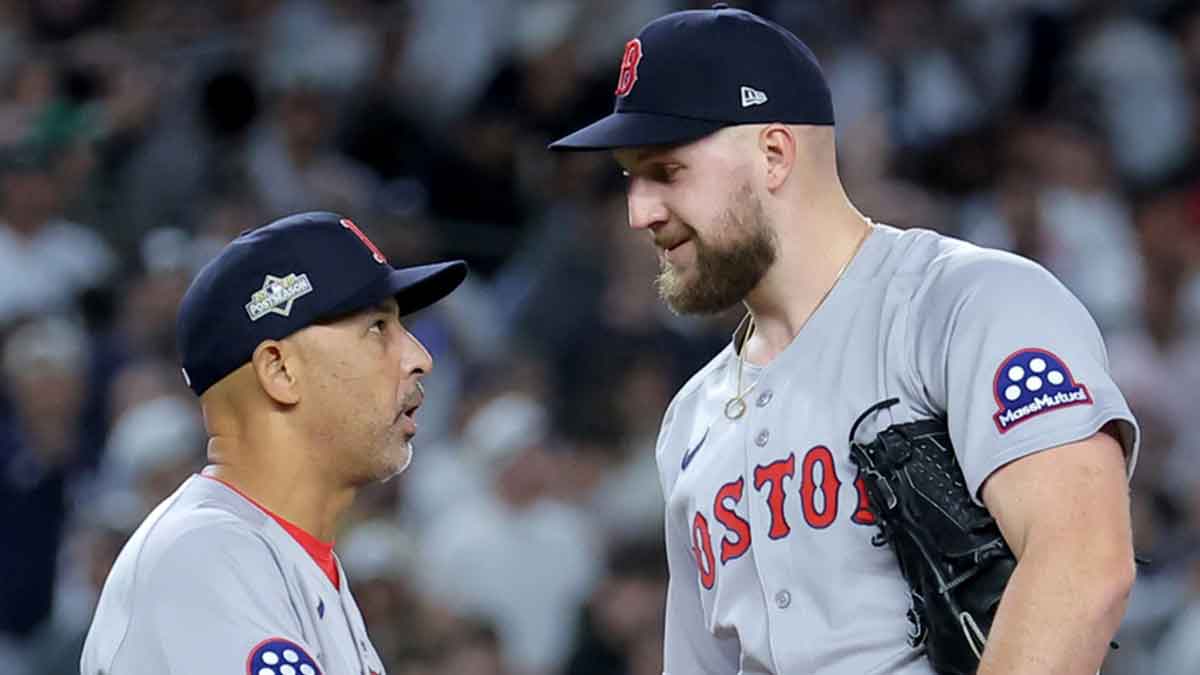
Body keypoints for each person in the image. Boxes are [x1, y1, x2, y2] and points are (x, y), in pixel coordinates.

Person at [549, 5, 1139, 674]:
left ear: (773, 154)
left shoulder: (966, 306)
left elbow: (1084, 566)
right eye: (631, 175)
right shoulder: (689, 421)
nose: (639, 211)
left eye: (666, 171)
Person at [80, 211, 467, 675]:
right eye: (378, 329)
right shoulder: (204, 556)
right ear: (281, 371)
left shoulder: (291, 561)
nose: (419, 358)